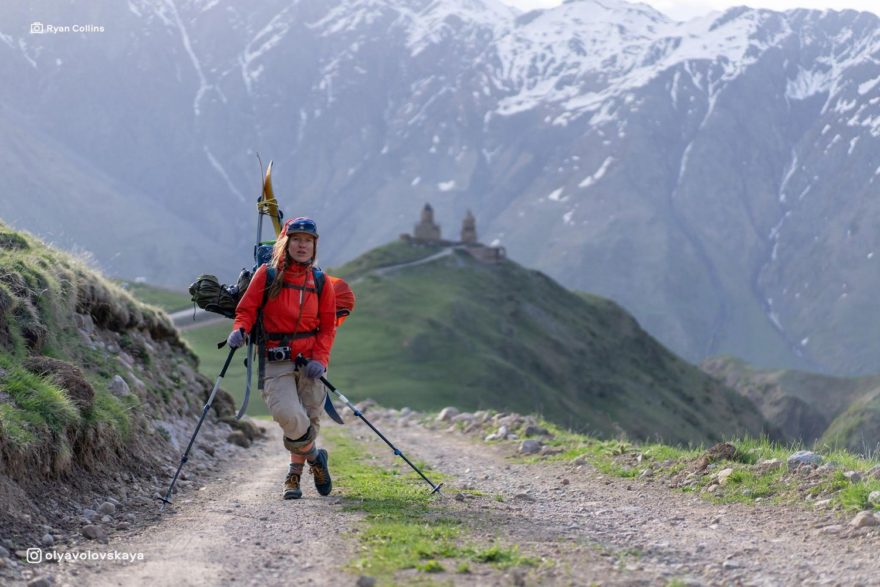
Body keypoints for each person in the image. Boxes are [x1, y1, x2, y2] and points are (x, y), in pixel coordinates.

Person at [226, 217, 337, 500]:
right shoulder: (267, 274)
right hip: (276, 360)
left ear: (314, 246)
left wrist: (320, 359)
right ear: (285, 244)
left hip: (310, 362)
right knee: (289, 415)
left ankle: (294, 476)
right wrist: (239, 330)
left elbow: (327, 326)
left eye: (308, 241)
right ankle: (314, 458)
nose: (302, 245)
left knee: (309, 419)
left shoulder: (322, 282)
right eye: (297, 240)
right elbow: (247, 310)